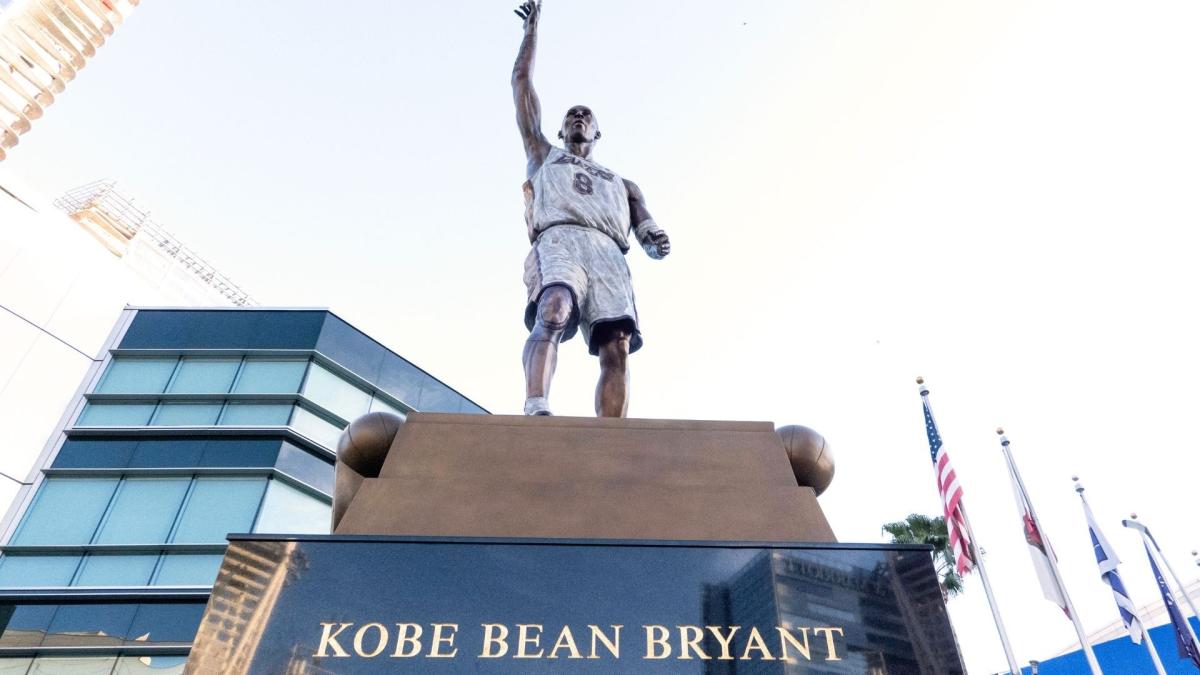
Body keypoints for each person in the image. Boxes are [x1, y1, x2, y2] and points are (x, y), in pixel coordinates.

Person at [512, 0, 671, 418]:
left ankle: (611, 433)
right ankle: (537, 404)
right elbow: (521, 84)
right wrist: (532, 34)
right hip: (562, 237)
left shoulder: (623, 183)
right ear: (563, 129)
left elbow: (646, 226)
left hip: (608, 252)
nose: (578, 118)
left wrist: (654, 238)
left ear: (598, 131)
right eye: (571, 115)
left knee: (616, 343)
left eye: (586, 115)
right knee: (554, 307)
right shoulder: (544, 154)